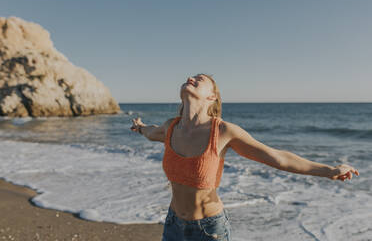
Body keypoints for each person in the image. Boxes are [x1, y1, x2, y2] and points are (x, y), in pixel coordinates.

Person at [130, 73, 360, 241]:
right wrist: (139, 127)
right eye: (190, 77)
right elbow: (151, 132)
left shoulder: (223, 132)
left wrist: (329, 171)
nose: (191, 78)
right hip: (173, 225)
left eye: (199, 78)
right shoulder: (171, 127)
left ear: (212, 96)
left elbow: (277, 157)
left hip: (208, 231)